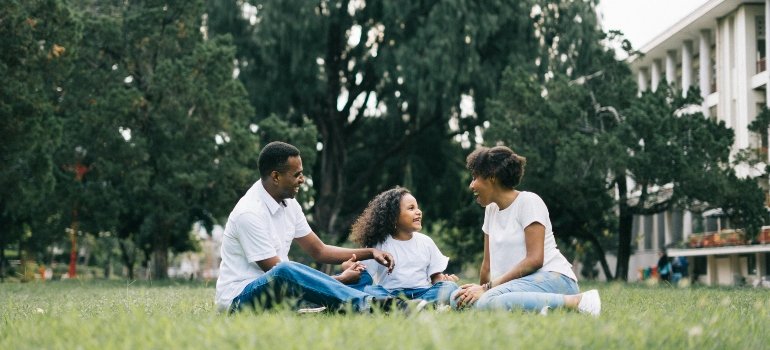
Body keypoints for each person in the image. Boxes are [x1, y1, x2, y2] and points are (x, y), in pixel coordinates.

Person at [215, 141, 401, 313]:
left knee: (361, 277)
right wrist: (340, 279)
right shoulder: (249, 213)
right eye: (297, 174)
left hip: (283, 291)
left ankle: (394, 301)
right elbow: (281, 276)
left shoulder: (289, 204)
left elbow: (319, 251)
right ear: (276, 176)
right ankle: (367, 304)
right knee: (284, 270)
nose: (302, 179)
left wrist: (370, 252)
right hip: (241, 299)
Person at [451, 146, 601, 316]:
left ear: (491, 177)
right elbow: (487, 266)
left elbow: (535, 260)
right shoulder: (491, 211)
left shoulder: (529, 202)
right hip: (515, 286)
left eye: (474, 177)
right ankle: (539, 308)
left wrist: (487, 290)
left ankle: (578, 301)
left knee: (487, 301)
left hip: (552, 278)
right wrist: (478, 291)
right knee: (457, 299)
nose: (471, 185)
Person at [345, 187, 459, 306]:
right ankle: (408, 306)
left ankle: (411, 305)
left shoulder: (426, 242)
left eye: (417, 207)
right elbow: (365, 276)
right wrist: (350, 267)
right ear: (393, 216)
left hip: (422, 293)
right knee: (370, 290)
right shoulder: (379, 244)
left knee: (450, 287)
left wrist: (443, 281)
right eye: (411, 208)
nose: (418, 211)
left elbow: (436, 276)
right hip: (390, 294)